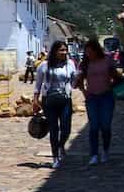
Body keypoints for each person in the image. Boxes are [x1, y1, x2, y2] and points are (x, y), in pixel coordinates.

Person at [32, 40, 78, 169]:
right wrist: (35, 101)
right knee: (53, 129)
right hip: (49, 101)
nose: (64, 52)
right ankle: (55, 157)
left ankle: (61, 144)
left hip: (65, 100)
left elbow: (74, 84)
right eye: (61, 50)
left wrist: (78, 77)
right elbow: (38, 85)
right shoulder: (44, 66)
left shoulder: (70, 64)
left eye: (65, 50)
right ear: (54, 51)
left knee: (66, 128)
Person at [76, 38, 116, 165]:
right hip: (92, 98)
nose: (88, 54)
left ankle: (105, 150)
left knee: (105, 126)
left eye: (90, 51)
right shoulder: (85, 64)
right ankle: (93, 154)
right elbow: (79, 81)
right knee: (93, 127)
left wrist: (113, 85)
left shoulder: (107, 60)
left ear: (96, 50)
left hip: (106, 97)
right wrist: (84, 92)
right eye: (86, 52)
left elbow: (116, 76)